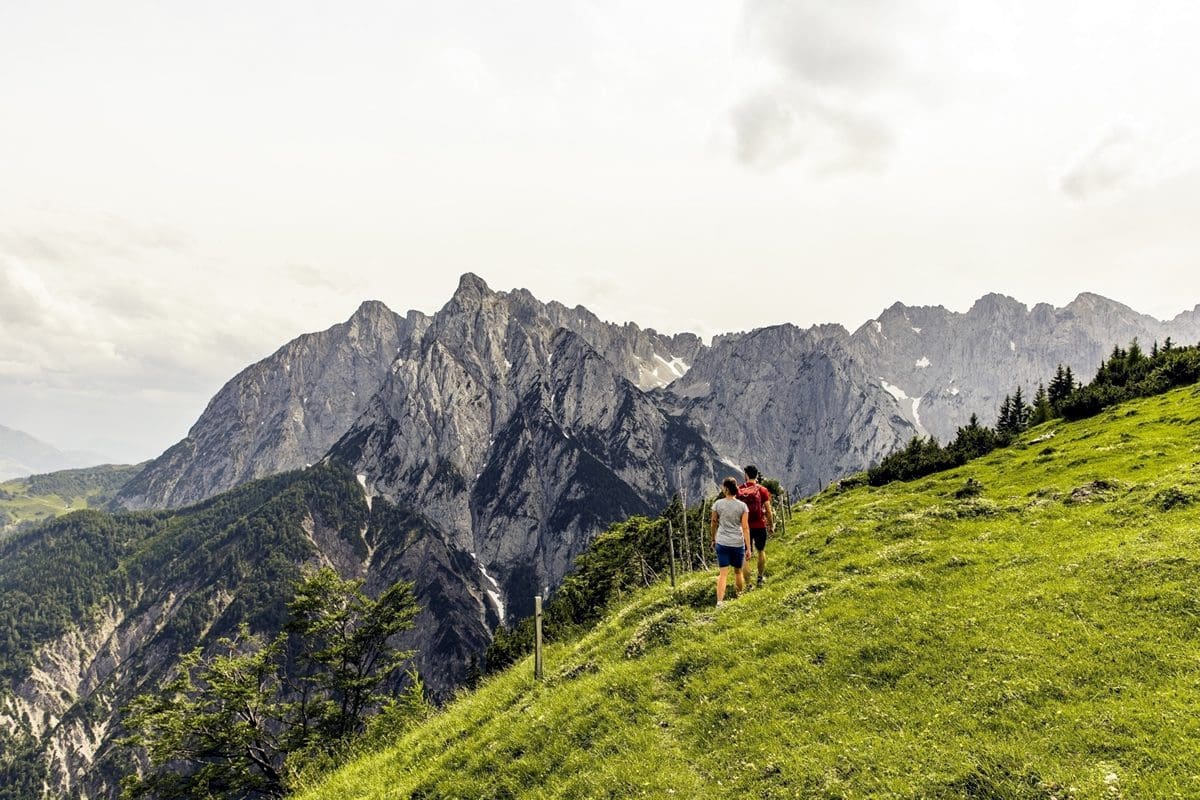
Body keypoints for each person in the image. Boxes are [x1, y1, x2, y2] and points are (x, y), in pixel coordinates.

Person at [710, 476, 751, 607]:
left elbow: (713, 522)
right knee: (738, 572)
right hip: (737, 543)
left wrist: (713, 538)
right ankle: (739, 598)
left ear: (726, 489)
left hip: (722, 542)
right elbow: (745, 528)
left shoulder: (718, 504)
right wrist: (748, 547)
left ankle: (719, 602)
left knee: (723, 574)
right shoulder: (742, 506)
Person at [738, 465, 774, 589]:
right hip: (760, 525)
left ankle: (748, 585)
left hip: (744, 527)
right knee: (761, 551)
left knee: (745, 555)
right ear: (757, 475)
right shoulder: (762, 490)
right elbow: (768, 510)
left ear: (746, 475)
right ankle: (759, 578)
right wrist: (771, 525)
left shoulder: (739, 490)